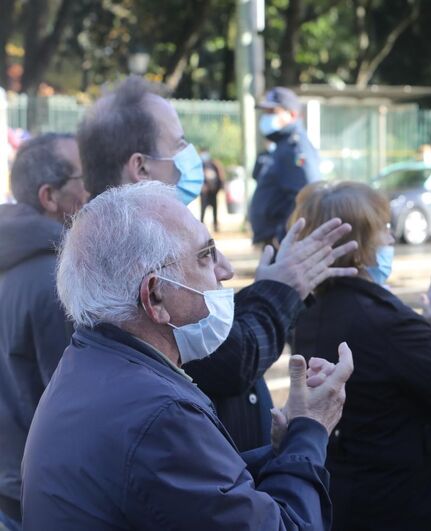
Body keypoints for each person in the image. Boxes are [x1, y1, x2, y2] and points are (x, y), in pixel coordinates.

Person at [21, 181, 353, 530]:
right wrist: (310, 430)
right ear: (155, 296)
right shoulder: (158, 414)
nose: (226, 270)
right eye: (205, 255)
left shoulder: (93, 361)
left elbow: (200, 493)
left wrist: (282, 450)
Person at [77, 76, 356, 452]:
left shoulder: (111, 232)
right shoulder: (129, 248)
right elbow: (229, 359)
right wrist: (280, 290)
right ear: (140, 167)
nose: (225, 270)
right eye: (179, 144)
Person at [292, 181, 431, 531]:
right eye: (383, 228)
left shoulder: (310, 309)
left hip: (350, 494)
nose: (391, 238)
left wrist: (426, 327)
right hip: (403, 502)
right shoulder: (382, 321)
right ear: (360, 245)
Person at [0, 134, 89, 530]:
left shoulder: (15, 257)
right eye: (83, 178)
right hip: (49, 492)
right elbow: (75, 405)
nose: (91, 190)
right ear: (49, 196)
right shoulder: (57, 280)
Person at [250, 87, 321, 248]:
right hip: (276, 242)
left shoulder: (295, 147)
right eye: (266, 112)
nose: (266, 117)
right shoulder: (282, 145)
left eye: (273, 112)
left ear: (292, 115)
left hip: (283, 244)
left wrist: (284, 235)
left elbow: (309, 195)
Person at [199, 147, 225, 232]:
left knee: (215, 209)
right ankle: (201, 225)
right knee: (203, 209)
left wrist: (219, 188)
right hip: (204, 192)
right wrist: (202, 186)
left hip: (213, 192)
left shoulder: (213, 164)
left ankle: (215, 225)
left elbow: (220, 176)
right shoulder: (199, 165)